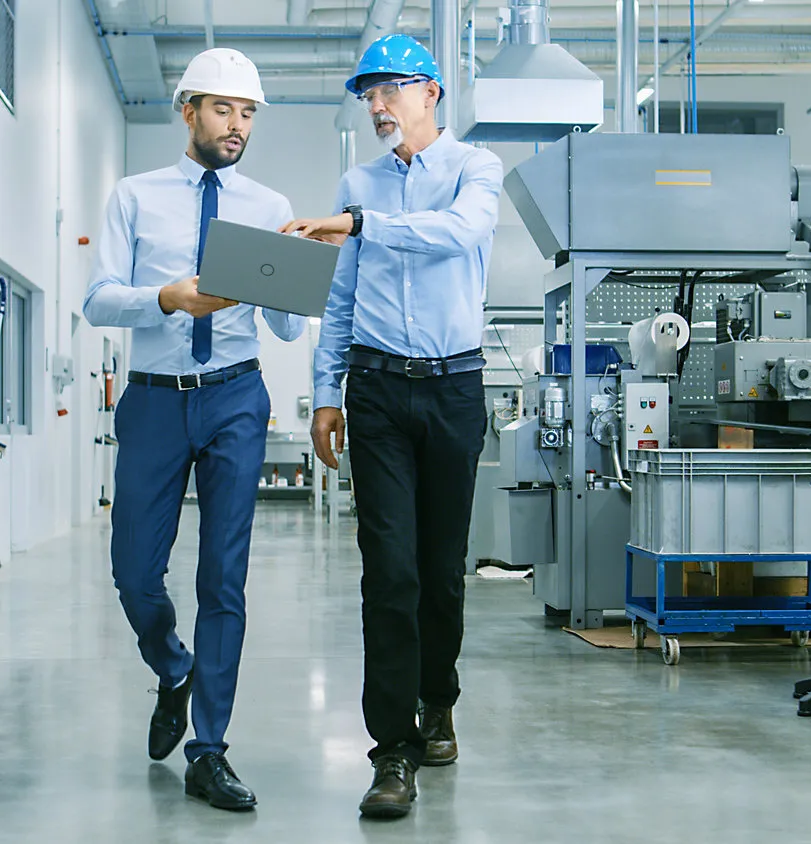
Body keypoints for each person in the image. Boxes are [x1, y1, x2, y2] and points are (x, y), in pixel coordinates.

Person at [281, 33, 503, 820]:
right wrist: (324, 390)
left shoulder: (475, 170)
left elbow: (460, 234)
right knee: (391, 573)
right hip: (375, 391)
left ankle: (438, 699)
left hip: (454, 390)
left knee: (441, 572)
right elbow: (341, 298)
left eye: (389, 90)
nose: (376, 106)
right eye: (367, 94)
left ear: (431, 93)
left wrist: (360, 224)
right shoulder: (358, 184)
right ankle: (392, 750)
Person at [82, 47, 303, 812]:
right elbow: (98, 299)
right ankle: (173, 668)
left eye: (247, 113)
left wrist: (303, 273)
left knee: (223, 577)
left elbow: (282, 326)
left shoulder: (270, 204)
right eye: (223, 109)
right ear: (188, 111)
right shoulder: (135, 197)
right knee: (135, 572)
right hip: (153, 398)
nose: (237, 125)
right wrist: (168, 300)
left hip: (237, 396)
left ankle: (209, 749)